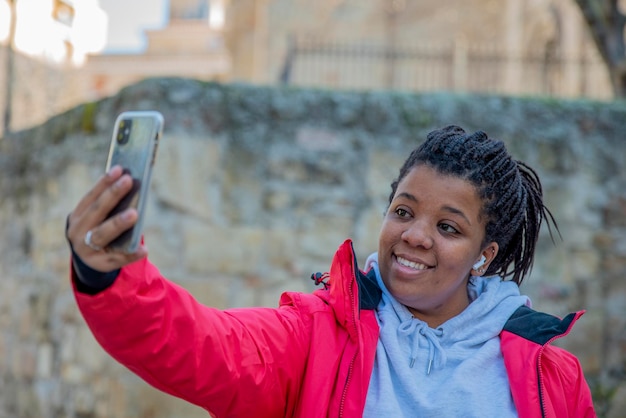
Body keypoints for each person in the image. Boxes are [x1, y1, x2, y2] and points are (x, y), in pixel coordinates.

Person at [66, 125, 596, 418]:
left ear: (485, 254)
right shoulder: (316, 334)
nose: (414, 235)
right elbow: (203, 347)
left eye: (449, 228)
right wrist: (108, 277)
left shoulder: (554, 376)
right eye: (404, 211)